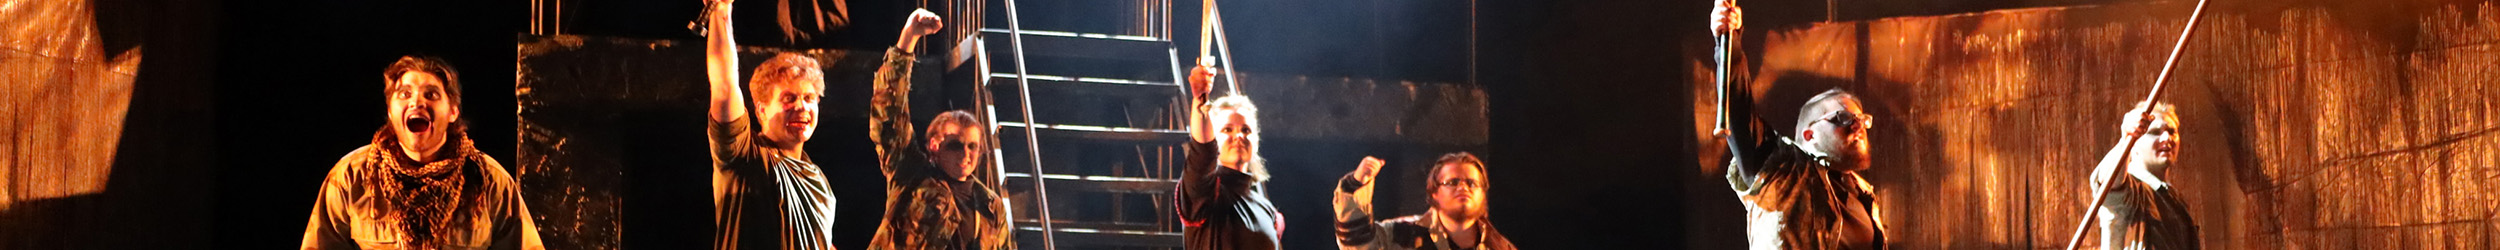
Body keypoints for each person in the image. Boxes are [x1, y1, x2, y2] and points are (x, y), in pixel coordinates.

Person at [302, 56, 546, 250]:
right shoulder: (351, 177)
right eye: (404, 94)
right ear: (390, 110)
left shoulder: (489, 181)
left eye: (431, 94)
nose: (417, 102)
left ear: (452, 111)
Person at [1710, 1, 1886, 249]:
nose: (1857, 125)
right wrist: (1729, 46)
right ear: (1809, 133)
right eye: (1844, 118)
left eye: (1861, 119)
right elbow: (1738, 112)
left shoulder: (1862, 193)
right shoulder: (1781, 171)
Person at [862, 9, 1016, 250]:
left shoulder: (989, 205)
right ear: (935, 145)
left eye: (973, 147)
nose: (966, 155)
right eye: (955, 145)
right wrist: (908, 38)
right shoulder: (912, 174)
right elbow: (889, 114)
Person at [702, 0, 838, 248]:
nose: (802, 107)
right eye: (789, 98)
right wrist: (722, 12)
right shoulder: (746, 156)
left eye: (809, 98)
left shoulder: (817, 179)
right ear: (762, 110)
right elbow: (724, 86)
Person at [1177, 59, 1284, 250]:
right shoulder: (1205, 193)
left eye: (1246, 130)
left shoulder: (1268, 212)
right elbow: (1202, 153)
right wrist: (1200, 100)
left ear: (1256, 141)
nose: (1238, 136)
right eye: (1227, 129)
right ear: (1213, 136)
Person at [1333, 153, 1516, 250]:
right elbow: (1357, 245)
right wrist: (1355, 185)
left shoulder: (1500, 246)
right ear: (1434, 193)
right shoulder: (1401, 234)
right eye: (1452, 182)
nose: (1463, 187)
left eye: (1472, 183)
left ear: (1483, 193)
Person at [2086, 102, 2200, 250]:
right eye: (2154, 132)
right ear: (2135, 144)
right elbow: (2108, 183)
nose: (2166, 138)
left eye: (2172, 131)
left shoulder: (2176, 200)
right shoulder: (2132, 192)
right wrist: (2126, 139)